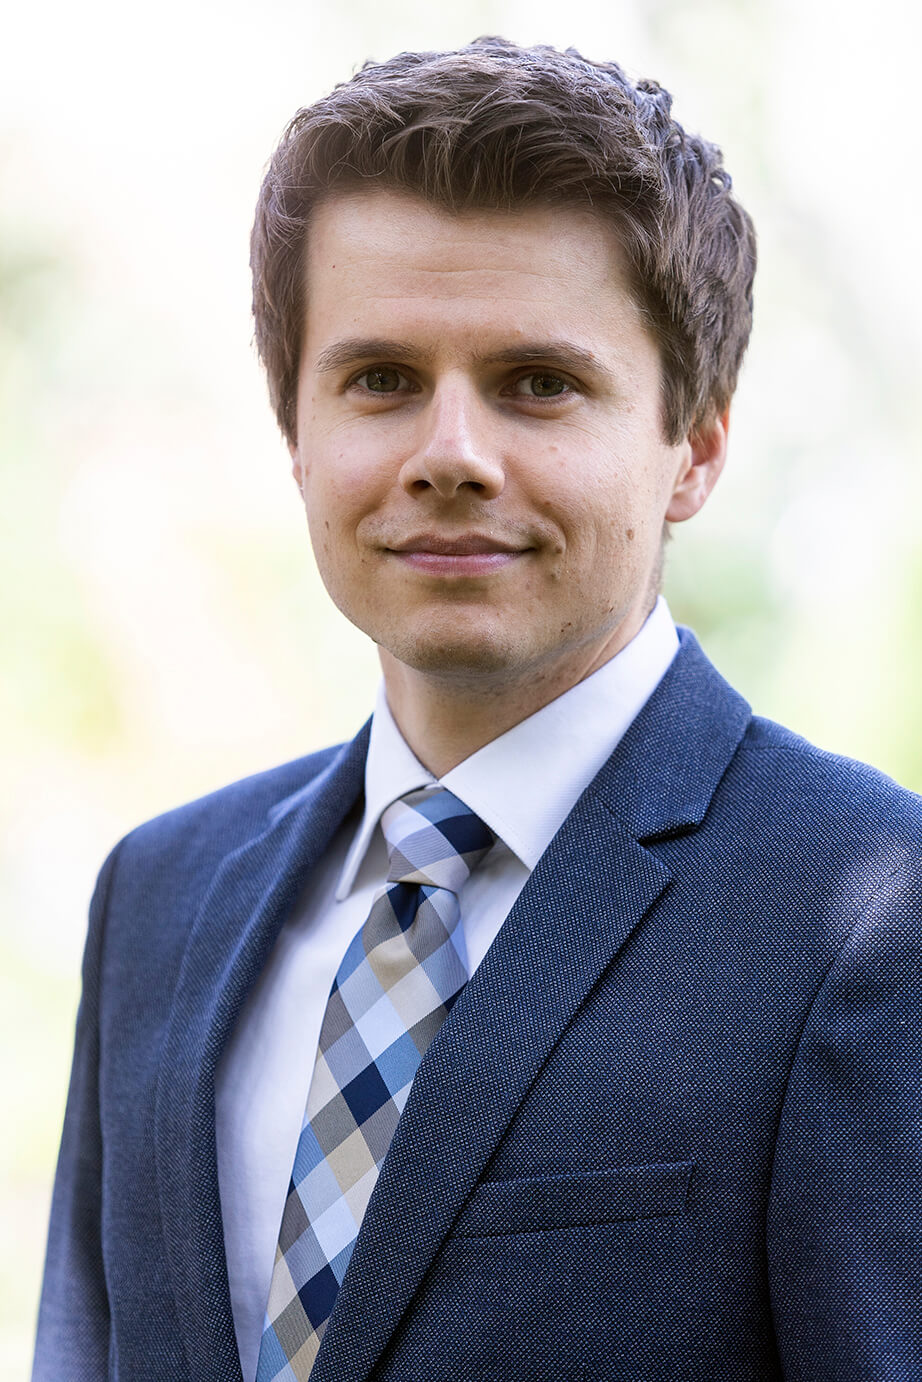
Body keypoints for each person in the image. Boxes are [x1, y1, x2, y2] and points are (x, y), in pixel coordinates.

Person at [33, 36, 922, 1382]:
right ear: (295, 434)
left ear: (694, 447)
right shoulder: (157, 897)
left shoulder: (864, 916)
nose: (449, 455)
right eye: (381, 379)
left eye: (538, 384)